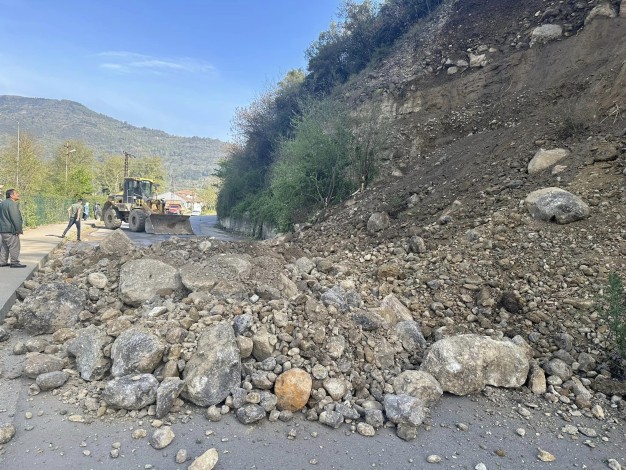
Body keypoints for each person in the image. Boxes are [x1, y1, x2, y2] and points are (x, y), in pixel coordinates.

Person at [0, 188, 26, 268]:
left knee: (4, 246)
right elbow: (15, 217)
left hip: (2, 230)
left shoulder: (2, 203)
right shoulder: (12, 204)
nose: (18, 194)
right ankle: (14, 262)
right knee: (14, 246)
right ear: (11, 195)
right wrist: (18, 229)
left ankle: (2, 262)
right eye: (16, 193)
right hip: (11, 230)